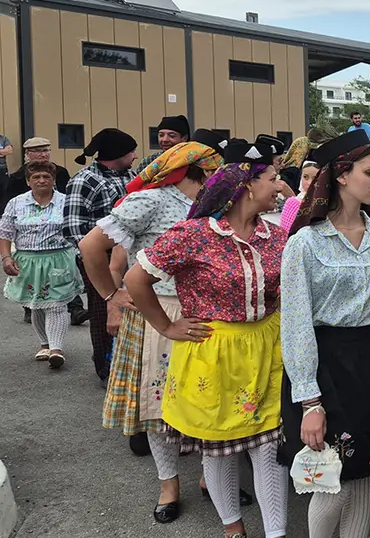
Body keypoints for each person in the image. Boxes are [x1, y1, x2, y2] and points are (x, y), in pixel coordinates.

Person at [124, 135, 290, 538]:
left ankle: (276, 534)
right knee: (219, 449)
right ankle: (233, 528)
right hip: (212, 351)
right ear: (247, 184)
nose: (279, 187)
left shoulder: (276, 236)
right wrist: (166, 325)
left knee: (268, 448)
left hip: (266, 347)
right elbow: (135, 279)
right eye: (272, 178)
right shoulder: (194, 234)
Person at [277, 129, 370, 538]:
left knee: (367, 474)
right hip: (325, 366)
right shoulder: (304, 243)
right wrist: (310, 402)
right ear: (341, 175)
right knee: (330, 479)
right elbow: (296, 325)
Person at [82, 133, 226, 523]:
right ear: (198, 169)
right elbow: (90, 247)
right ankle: (169, 482)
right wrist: (111, 296)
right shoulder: (151, 199)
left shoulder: (212, 204)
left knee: (204, 398)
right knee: (159, 406)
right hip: (160, 308)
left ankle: (210, 480)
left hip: (203, 309)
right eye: (214, 167)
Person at [65, 127, 138, 382]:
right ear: (117, 154)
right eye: (131, 152)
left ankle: (129, 362)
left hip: (130, 253)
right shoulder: (84, 180)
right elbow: (73, 227)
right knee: (102, 311)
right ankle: (105, 365)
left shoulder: (131, 174)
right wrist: (96, 251)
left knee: (133, 305)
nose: (135, 156)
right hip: (100, 256)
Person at [0, 159, 84, 370]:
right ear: (28, 181)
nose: (41, 180)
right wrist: (6, 257)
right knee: (36, 303)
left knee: (56, 303)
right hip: (27, 260)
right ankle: (45, 345)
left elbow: (76, 230)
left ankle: (57, 349)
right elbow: (6, 233)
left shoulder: (66, 201)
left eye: (46, 176)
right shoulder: (16, 203)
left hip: (58, 258)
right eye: (36, 177)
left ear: (54, 180)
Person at [4, 137, 79, 325]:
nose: (43, 154)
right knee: (36, 296)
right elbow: (7, 216)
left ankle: (75, 310)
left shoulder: (60, 172)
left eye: (46, 150)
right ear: (27, 155)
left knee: (58, 298)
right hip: (28, 242)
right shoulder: (16, 178)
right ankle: (31, 310)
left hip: (59, 247)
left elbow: (69, 198)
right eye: (37, 151)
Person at [279, 160, 319, 233]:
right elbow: (284, 232)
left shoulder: (327, 204)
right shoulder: (293, 203)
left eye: (315, 179)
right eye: (305, 177)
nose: (309, 183)